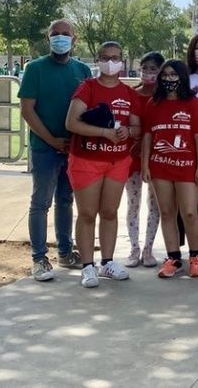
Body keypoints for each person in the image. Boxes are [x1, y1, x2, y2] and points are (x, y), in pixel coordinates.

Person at [18, 18, 90, 281]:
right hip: (44, 149)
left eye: (65, 33)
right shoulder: (35, 69)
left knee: (65, 200)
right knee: (40, 203)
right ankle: (39, 258)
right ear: (48, 38)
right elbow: (27, 110)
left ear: (74, 39)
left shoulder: (82, 70)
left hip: (73, 149)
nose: (60, 38)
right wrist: (51, 140)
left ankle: (65, 251)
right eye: (55, 33)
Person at [64, 41, 140, 288]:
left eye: (115, 57)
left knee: (109, 212)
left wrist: (128, 131)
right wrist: (104, 133)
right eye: (106, 57)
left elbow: (137, 127)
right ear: (98, 60)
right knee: (87, 213)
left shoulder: (129, 93)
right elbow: (72, 123)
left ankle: (107, 262)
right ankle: (88, 266)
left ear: (122, 61)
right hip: (87, 160)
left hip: (117, 160)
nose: (111, 62)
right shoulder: (87, 88)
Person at [141, 60, 198, 279]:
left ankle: (196, 256)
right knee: (167, 212)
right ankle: (173, 258)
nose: (169, 79)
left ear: (182, 77)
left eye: (173, 75)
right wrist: (145, 164)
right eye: (165, 75)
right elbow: (148, 136)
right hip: (160, 166)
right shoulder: (153, 104)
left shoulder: (193, 104)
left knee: (189, 212)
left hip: (187, 167)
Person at [124, 51, 164, 268]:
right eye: (145, 68)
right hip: (132, 157)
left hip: (158, 158)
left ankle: (148, 248)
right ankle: (134, 248)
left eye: (153, 69)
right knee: (133, 203)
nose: (148, 72)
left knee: (155, 204)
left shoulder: (164, 97)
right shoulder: (131, 94)